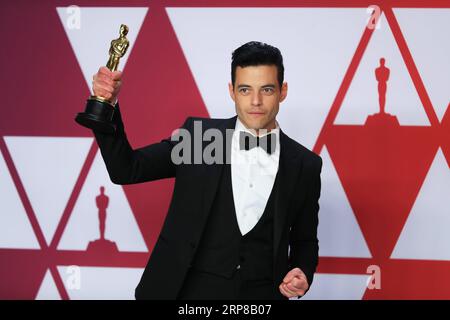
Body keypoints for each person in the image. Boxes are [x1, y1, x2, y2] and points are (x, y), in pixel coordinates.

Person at [91, 41, 322, 300]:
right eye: (245, 90)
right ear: (232, 91)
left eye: (267, 89)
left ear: (283, 91)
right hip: (186, 294)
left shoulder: (306, 164)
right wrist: (106, 105)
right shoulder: (199, 140)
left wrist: (302, 272)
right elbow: (127, 169)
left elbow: (305, 241)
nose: (256, 101)